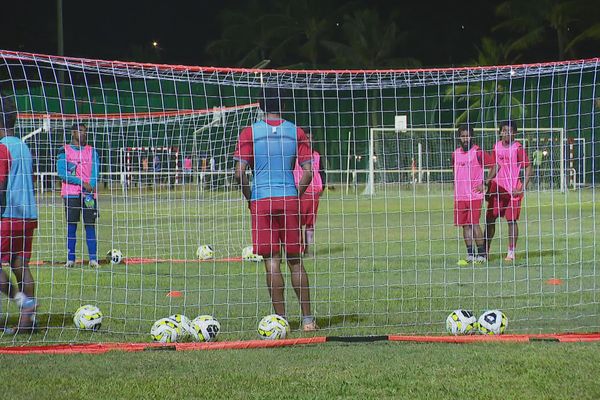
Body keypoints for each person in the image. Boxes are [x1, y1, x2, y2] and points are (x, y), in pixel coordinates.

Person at [234, 87, 318, 332]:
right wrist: (295, 195)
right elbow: (308, 173)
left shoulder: (250, 132)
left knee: (271, 260)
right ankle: (308, 320)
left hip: (262, 201)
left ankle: (280, 321)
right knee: (295, 260)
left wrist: (251, 198)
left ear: (260, 105)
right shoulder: (296, 131)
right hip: (289, 199)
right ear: (285, 105)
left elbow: (239, 173)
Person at [0, 95, 38, 331]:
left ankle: (22, 302)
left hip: (7, 215)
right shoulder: (23, 146)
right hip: (28, 215)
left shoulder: (2, 147)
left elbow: (1, 186)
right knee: (19, 264)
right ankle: (28, 323)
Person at [484, 120, 533, 262]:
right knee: (489, 219)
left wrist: (522, 187)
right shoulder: (496, 147)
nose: (506, 133)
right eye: (504, 130)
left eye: (510, 130)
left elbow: (528, 167)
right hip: (497, 188)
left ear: (515, 133)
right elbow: (495, 166)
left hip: (513, 191)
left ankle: (511, 252)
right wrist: (487, 183)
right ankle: (485, 251)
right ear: (500, 132)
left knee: (511, 221)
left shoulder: (517, 148)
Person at [57, 123, 100, 268]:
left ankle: (93, 259)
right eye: (81, 131)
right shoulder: (64, 150)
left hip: (89, 195)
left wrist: (91, 185)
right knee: (71, 225)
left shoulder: (92, 151)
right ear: (73, 132)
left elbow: (95, 172)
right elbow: (62, 173)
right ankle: (71, 259)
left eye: (85, 131)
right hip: (71, 195)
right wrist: (82, 182)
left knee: (90, 224)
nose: (84, 134)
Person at [452, 125, 489, 264]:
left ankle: (482, 254)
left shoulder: (478, 152)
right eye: (463, 136)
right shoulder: (455, 154)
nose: (465, 138)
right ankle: (470, 255)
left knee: (474, 224)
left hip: (474, 196)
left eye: (468, 136)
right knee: (465, 225)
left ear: (472, 136)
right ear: (459, 137)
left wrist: (485, 183)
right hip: (460, 197)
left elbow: (496, 165)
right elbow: (454, 172)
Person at [293, 130, 323, 257]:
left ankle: (307, 249)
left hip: (314, 194)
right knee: (297, 222)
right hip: (300, 192)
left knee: (310, 223)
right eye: (307, 138)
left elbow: (322, 172)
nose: (309, 140)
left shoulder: (316, 155)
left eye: (311, 138)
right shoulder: (294, 155)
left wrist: (322, 187)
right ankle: (298, 249)